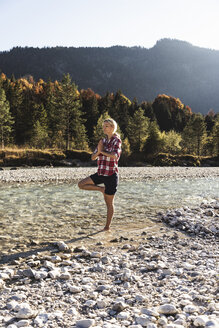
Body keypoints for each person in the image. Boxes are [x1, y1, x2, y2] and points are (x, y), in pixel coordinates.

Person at [78, 118, 122, 231]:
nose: (104, 128)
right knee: (81, 184)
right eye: (103, 126)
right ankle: (101, 189)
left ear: (112, 127)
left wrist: (101, 151)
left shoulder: (116, 140)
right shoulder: (102, 141)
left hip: (111, 175)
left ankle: (107, 227)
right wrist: (98, 151)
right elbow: (92, 157)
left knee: (109, 204)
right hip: (101, 173)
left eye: (106, 126)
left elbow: (115, 156)